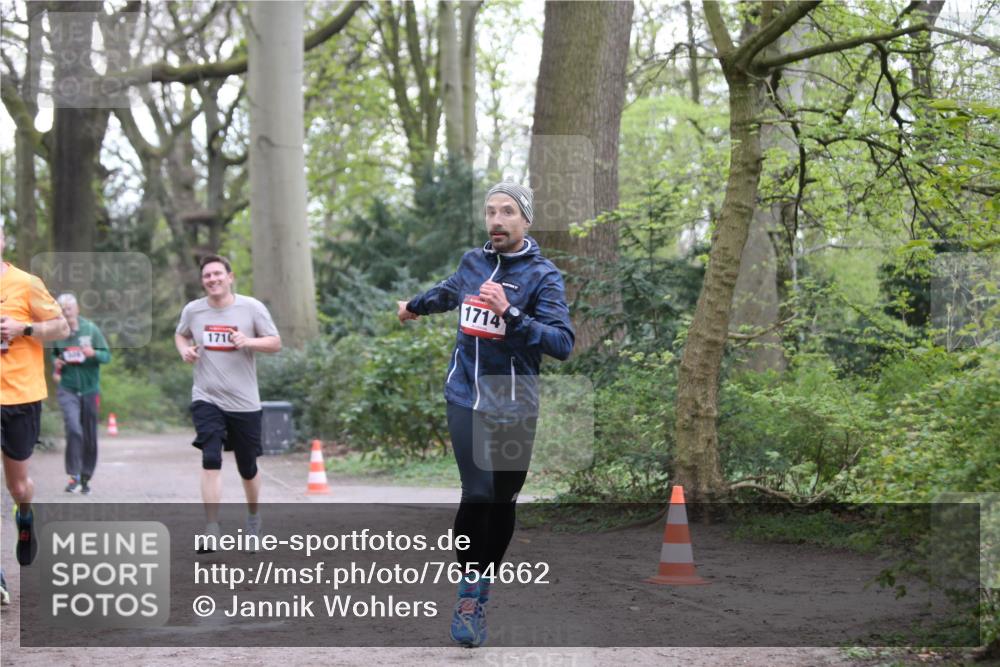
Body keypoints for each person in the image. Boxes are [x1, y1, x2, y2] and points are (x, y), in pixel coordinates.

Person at [397, 182, 574, 647]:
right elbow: (448, 291)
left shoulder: (544, 276)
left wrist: (511, 312)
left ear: (525, 221)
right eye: (491, 211)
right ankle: (469, 593)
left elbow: (562, 344)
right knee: (477, 492)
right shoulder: (472, 262)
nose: (496, 220)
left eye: (507, 212)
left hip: (515, 404)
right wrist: (413, 307)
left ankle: (482, 584)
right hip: (466, 396)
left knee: (502, 500)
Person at [175, 254, 281, 551]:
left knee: (247, 467)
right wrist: (184, 350)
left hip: (245, 402)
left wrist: (249, 342)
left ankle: (253, 520)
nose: (212, 279)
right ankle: (211, 528)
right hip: (207, 396)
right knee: (210, 458)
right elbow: (180, 335)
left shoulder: (251, 308)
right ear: (202, 281)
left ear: (230, 277)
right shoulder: (194, 311)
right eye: (207, 276)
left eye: (218, 274)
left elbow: (275, 342)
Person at [0, 225, 70, 602]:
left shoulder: (26, 283)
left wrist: (23, 326)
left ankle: (25, 514)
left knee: (18, 486)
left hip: (20, 396)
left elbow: (61, 326)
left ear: (3, 239)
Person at [52, 293, 111, 495]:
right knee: (74, 429)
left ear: (77, 309)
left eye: (69, 308)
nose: (66, 312)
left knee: (89, 435)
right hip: (67, 388)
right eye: (62, 309)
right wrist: (57, 364)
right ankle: (73, 475)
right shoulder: (57, 333)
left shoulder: (90, 329)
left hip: (89, 389)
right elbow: (55, 357)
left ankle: (85, 477)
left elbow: (107, 356)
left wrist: (94, 353)